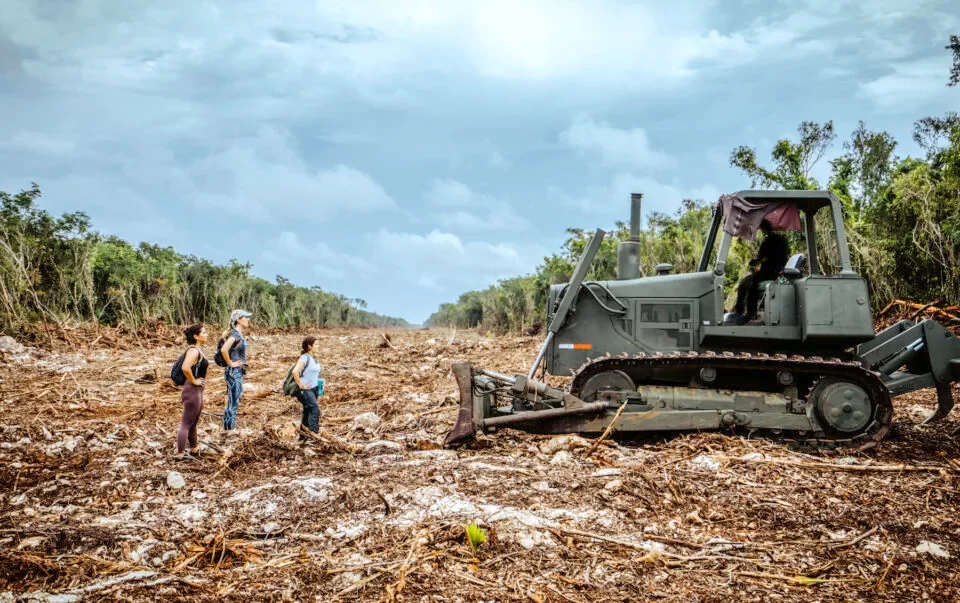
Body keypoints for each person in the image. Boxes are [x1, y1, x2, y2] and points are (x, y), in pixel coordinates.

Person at [733, 220, 789, 323]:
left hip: (770, 272)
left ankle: (747, 312)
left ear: (763, 229)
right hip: (777, 271)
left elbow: (762, 258)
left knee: (748, 284)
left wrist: (754, 262)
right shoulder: (781, 239)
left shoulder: (768, 241)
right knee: (747, 282)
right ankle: (742, 312)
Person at [177, 324, 208, 460]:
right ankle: (180, 454)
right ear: (196, 336)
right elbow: (185, 367)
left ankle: (194, 449)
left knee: (193, 422)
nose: (206, 334)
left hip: (196, 391)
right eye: (204, 332)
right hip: (192, 390)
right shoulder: (194, 351)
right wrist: (194, 381)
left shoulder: (197, 350)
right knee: (185, 423)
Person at [220, 309, 251, 443]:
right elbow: (224, 349)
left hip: (236, 372)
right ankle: (229, 432)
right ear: (238, 320)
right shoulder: (235, 334)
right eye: (246, 317)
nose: (248, 319)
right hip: (234, 372)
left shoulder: (237, 334)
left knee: (233, 401)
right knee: (233, 401)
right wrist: (231, 363)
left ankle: (227, 430)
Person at [292, 336, 322, 444]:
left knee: (307, 412)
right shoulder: (305, 358)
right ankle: (314, 437)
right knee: (315, 410)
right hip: (305, 390)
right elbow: (295, 372)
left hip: (314, 389)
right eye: (316, 344)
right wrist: (301, 385)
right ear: (309, 346)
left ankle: (303, 438)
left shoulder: (314, 358)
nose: (318, 346)